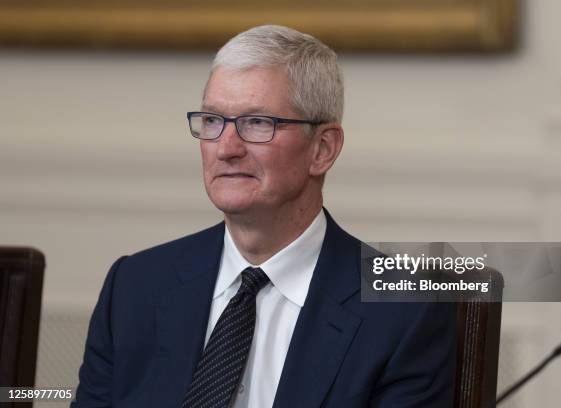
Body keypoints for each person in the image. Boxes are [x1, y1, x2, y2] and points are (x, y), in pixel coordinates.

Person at [72, 25, 456, 408]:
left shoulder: (403, 312)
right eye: (212, 120)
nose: (226, 148)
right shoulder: (135, 286)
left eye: (257, 123)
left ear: (322, 149)